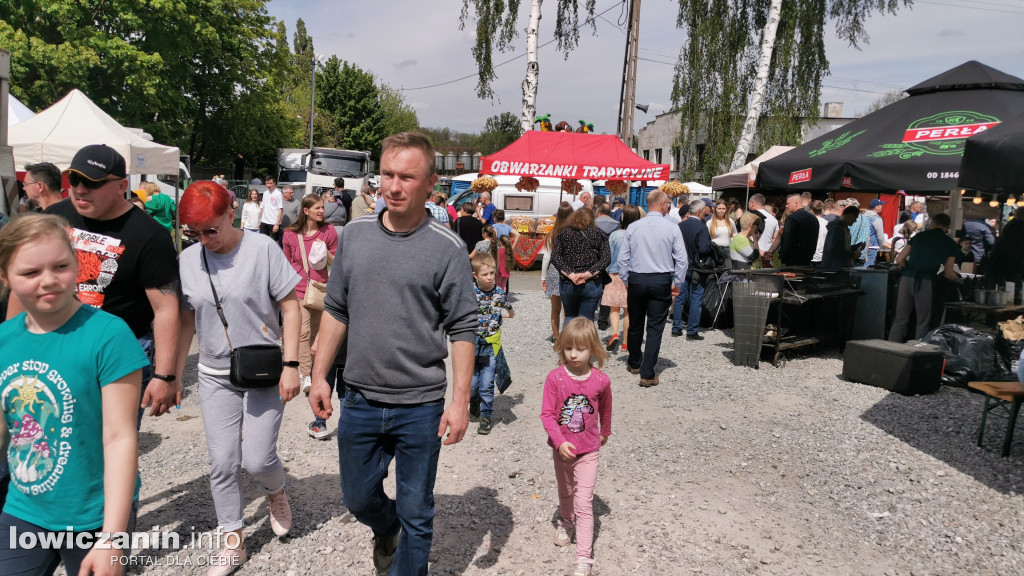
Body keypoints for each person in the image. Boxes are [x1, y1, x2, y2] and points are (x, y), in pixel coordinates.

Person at [308, 132, 477, 576]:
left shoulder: (447, 247)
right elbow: (336, 309)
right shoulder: (356, 236)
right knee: (358, 498)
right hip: (360, 398)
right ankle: (386, 529)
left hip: (420, 405)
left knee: (418, 514)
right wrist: (319, 374)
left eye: (407, 176)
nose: (394, 186)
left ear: (430, 183)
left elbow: (462, 328)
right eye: (387, 174)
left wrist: (460, 402)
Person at [0, 214, 147, 576]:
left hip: (94, 515)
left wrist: (111, 538)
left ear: (77, 264)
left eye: (61, 266)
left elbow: (119, 438)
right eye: (30, 273)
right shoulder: (4, 340)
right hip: (23, 509)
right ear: (5, 278)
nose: (48, 281)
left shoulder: (109, 335)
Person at [175, 181, 302, 574]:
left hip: (264, 368)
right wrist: (174, 373)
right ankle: (233, 540)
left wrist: (292, 365)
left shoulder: (262, 249)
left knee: (258, 458)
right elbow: (184, 320)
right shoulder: (188, 260)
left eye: (210, 230)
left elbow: (291, 307)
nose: (203, 240)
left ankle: (275, 490)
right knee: (223, 462)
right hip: (214, 373)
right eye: (193, 233)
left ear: (230, 212)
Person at [28, 144, 181, 425]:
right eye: (74, 180)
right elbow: (23, 283)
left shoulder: (150, 236)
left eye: (92, 183)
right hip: (54, 345)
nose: (81, 189)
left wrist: (165, 375)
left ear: (122, 185)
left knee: (109, 447)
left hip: (118, 354)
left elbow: (167, 309)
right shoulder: (53, 219)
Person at [541, 317, 612, 576]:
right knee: (566, 490)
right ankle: (567, 521)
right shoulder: (555, 378)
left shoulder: (601, 380)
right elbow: (547, 414)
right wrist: (559, 442)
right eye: (568, 348)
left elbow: (606, 408)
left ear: (592, 349)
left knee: (584, 501)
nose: (573, 354)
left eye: (580, 349)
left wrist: (605, 432)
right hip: (562, 450)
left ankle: (583, 556)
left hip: (589, 450)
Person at [617, 190, 688, 387]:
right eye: (668, 204)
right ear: (664, 204)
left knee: (636, 322)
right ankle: (647, 372)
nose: (669, 207)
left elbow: (623, 258)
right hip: (660, 279)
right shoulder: (672, 227)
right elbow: (682, 259)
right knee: (655, 326)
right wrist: (678, 283)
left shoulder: (633, 227)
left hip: (637, 278)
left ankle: (634, 362)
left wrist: (626, 280)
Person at [282, 194, 338, 396]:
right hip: (298, 290)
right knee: (303, 333)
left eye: (322, 208)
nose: (322, 211)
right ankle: (307, 374)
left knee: (316, 334)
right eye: (318, 208)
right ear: (306, 211)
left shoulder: (329, 231)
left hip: (321, 290)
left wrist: (326, 252)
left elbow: (336, 262)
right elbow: (287, 264)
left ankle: (315, 369)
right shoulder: (289, 234)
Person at [888, 213, 961, 342]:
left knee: (900, 320)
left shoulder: (919, 237)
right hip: (926, 281)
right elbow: (948, 273)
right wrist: (960, 281)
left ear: (933, 223)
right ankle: (917, 353)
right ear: (947, 227)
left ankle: (889, 350)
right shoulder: (950, 243)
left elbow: (899, 259)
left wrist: (908, 268)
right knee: (922, 322)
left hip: (907, 279)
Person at [469, 253, 515, 436]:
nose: (489, 277)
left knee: (487, 384)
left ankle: (486, 417)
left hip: (491, 346)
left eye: (492, 273)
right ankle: (474, 401)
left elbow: (511, 313)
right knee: (472, 384)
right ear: (475, 275)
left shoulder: (499, 293)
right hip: (472, 345)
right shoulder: (469, 292)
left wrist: (497, 318)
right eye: (485, 274)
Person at [551, 207, 611, 325]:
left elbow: (555, 257)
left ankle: (568, 343)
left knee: (569, 316)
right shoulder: (598, 233)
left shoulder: (564, 233)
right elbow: (606, 258)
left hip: (568, 283)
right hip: (592, 282)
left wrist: (571, 274)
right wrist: (588, 274)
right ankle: (584, 343)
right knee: (587, 320)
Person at [673, 199, 715, 339]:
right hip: (697, 267)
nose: (705, 214)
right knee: (696, 298)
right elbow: (703, 248)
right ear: (699, 212)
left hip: (681, 266)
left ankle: (676, 327)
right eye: (704, 212)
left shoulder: (680, 226)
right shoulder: (702, 228)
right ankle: (691, 330)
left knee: (679, 297)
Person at [602, 205, 641, 352]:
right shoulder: (639, 235)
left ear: (623, 217)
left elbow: (608, 257)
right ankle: (626, 342)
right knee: (628, 310)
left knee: (614, 308)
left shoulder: (615, 235)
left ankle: (614, 334)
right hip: (633, 275)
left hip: (614, 274)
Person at [542, 202, 575, 342]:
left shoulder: (552, 233)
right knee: (568, 309)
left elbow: (546, 257)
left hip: (554, 271)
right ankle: (567, 336)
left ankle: (556, 337)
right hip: (571, 272)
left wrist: (543, 277)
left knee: (555, 308)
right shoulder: (575, 232)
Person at [779, 193, 819, 267]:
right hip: (808, 259)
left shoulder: (792, 218)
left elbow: (787, 240)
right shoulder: (813, 218)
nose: (786, 206)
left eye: (788, 203)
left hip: (793, 261)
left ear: (796, 204)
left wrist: (783, 259)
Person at [820, 206, 862, 270]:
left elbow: (842, 247)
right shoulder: (836, 227)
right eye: (855, 217)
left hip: (840, 267)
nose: (855, 220)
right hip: (834, 268)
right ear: (848, 215)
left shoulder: (845, 228)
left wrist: (855, 247)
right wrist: (852, 254)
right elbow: (834, 250)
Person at [748, 194, 779, 268]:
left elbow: (746, 236)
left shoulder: (749, 216)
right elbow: (777, 238)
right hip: (767, 258)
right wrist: (770, 252)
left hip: (752, 257)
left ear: (752, 203)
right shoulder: (773, 219)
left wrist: (762, 252)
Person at [707, 199, 735, 271]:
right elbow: (708, 238)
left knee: (728, 272)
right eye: (719, 208)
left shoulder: (730, 221)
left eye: (723, 209)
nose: (721, 210)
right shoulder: (709, 223)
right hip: (715, 251)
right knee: (715, 273)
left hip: (727, 250)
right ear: (715, 209)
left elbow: (734, 234)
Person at [864, 199, 889, 266]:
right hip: (872, 246)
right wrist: (882, 247)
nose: (882, 206)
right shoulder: (877, 219)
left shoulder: (863, 216)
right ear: (876, 207)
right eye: (880, 205)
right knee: (868, 267)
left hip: (862, 245)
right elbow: (880, 236)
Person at [259, 177, 284, 243]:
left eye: (270, 183)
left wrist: (277, 224)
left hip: (273, 222)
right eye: (267, 183)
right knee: (263, 241)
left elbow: (280, 210)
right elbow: (263, 207)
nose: (268, 185)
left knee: (274, 242)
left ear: (274, 183)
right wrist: (261, 220)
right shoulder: (265, 193)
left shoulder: (278, 194)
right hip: (264, 221)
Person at [810, 200, 829, 265]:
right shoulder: (827, 223)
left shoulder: (808, 222)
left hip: (810, 256)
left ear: (811, 210)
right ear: (822, 210)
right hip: (822, 257)